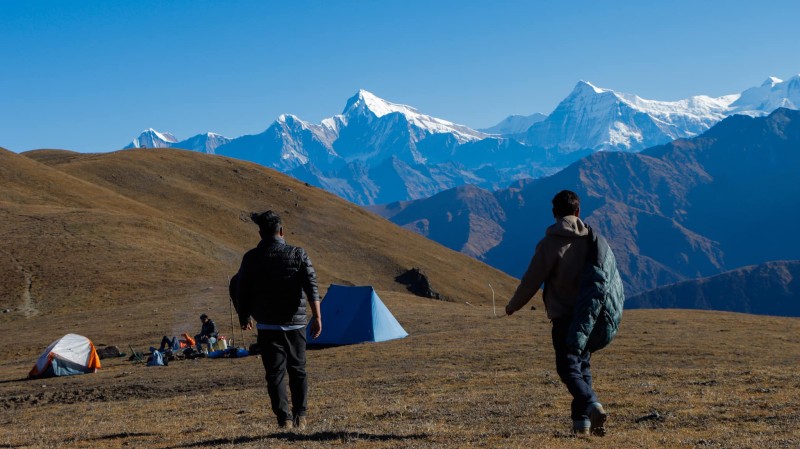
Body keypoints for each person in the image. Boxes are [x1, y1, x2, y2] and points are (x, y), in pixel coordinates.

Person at [504, 190, 608, 437]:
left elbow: (531, 281)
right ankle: (581, 425)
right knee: (582, 367)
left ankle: (592, 404)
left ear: (554, 213)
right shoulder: (592, 240)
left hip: (563, 317)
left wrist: (513, 306)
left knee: (567, 367)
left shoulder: (550, 244)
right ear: (578, 211)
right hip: (589, 316)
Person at [236, 210, 322, 431]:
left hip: (266, 324)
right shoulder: (298, 253)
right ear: (281, 231)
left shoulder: (251, 258)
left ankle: (283, 419)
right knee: (298, 369)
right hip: (296, 323)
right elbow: (311, 286)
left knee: (275, 374)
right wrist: (317, 316)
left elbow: (241, 289)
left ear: (260, 233)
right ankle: (300, 416)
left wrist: (244, 315)